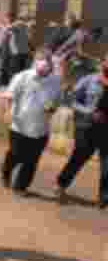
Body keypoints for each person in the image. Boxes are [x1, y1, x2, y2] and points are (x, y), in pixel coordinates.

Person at [0, 50, 61, 196]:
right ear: (35, 62)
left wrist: (52, 108)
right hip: (19, 126)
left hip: (41, 128)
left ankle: (20, 187)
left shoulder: (55, 81)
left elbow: (57, 101)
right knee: (16, 155)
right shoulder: (22, 77)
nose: (43, 65)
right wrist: (7, 112)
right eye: (40, 60)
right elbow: (9, 96)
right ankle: (6, 172)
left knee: (32, 160)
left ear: (51, 65)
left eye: (46, 61)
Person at [54, 54, 108, 208]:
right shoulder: (89, 80)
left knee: (107, 167)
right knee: (78, 158)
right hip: (87, 127)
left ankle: (103, 199)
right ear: (102, 62)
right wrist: (88, 112)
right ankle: (61, 185)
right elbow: (72, 100)